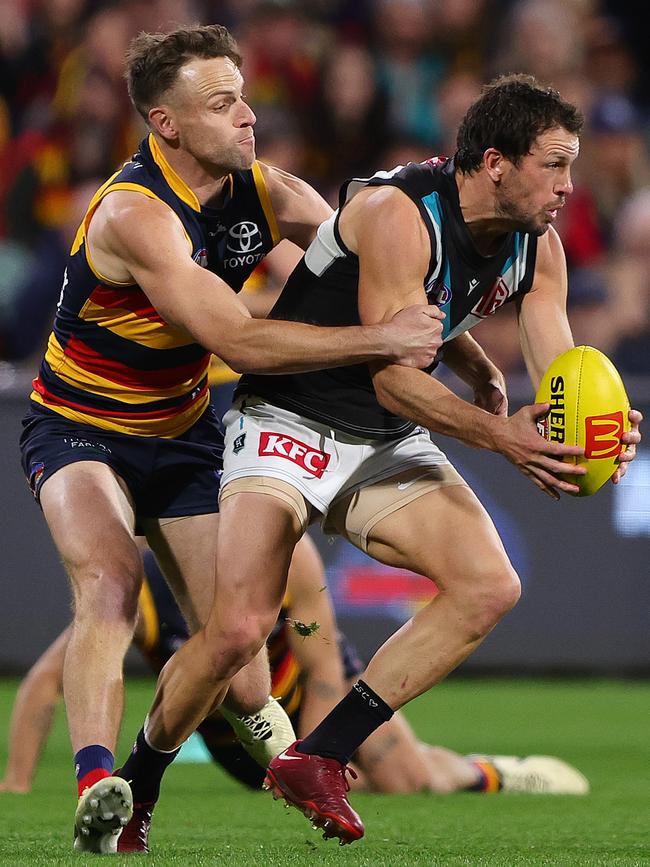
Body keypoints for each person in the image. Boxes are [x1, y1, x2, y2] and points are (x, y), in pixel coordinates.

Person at [119, 73, 641, 846]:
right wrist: (502, 435)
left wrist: (590, 436)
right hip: (286, 418)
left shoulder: (540, 247)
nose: (570, 185)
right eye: (555, 164)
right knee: (237, 633)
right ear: (495, 162)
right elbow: (394, 376)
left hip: (376, 440)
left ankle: (319, 753)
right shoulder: (403, 213)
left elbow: (560, 372)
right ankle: (138, 782)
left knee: (489, 584)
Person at [18, 23, 446, 854]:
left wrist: (451, 332)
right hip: (80, 428)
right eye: (222, 103)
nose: (247, 115)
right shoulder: (135, 214)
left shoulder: (269, 191)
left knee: (243, 647)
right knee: (107, 580)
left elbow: (367, 262)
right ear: (166, 123)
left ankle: (284, 763)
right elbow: (239, 343)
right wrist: (381, 341)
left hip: (181, 432)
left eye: (244, 94)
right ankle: (99, 784)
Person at [0, 535, 589, 825]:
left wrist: (312, 760)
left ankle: (492, 773)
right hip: (235, 737)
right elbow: (46, 681)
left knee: (409, 781)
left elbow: (324, 667)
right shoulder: (142, 583)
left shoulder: (278, 551)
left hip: (317, 700)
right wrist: (17, 786)